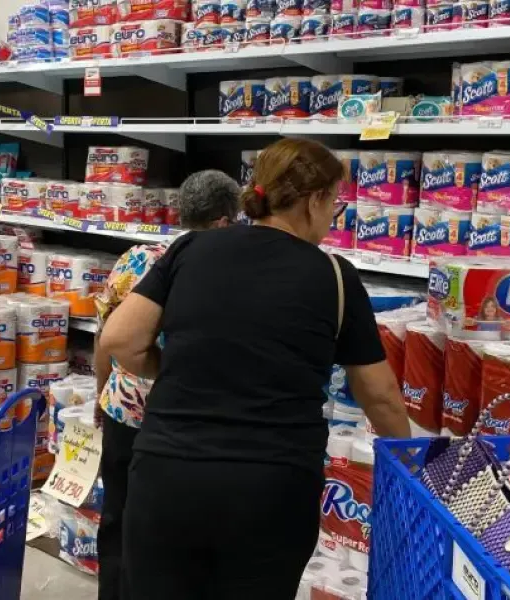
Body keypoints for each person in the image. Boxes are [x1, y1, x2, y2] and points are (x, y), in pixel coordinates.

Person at [101, 138, 411, 599]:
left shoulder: (191, 249)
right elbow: (380, 395)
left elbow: (119, 339)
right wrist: (410, 460)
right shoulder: (334, 276)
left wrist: (176, 368)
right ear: (314, 201)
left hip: (168, 476)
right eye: (335, 204)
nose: (333, 217)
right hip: (271, 489)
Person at [93, 170, 241, 600]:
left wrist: (103, 396)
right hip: (183, 424)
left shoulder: (135, 258)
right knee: (174, 539)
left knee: (117, 520)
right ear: (224, 221)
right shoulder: (224, 271)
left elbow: (106, 337)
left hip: (124, 410)